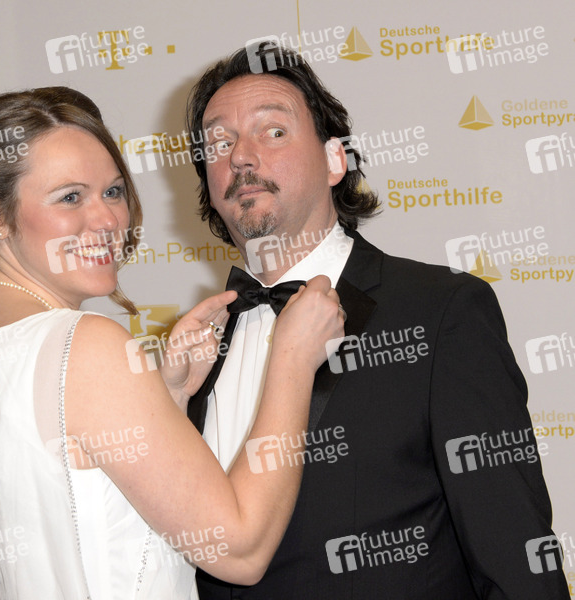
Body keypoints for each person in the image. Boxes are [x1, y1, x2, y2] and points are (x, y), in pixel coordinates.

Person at [184, 44, 568, 599]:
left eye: (273, 132)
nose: (241, 156)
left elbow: (515, 556)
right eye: (220, 143)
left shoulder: (442, 311)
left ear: (335, 160)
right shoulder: (195, 350)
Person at [0, 86, 344, 598]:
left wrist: (167, 397)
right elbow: (239, 550)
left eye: (113, 191)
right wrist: (292, 361)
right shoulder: (86, 344)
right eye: (70, 197)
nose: (108, 220)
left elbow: (78, 510)